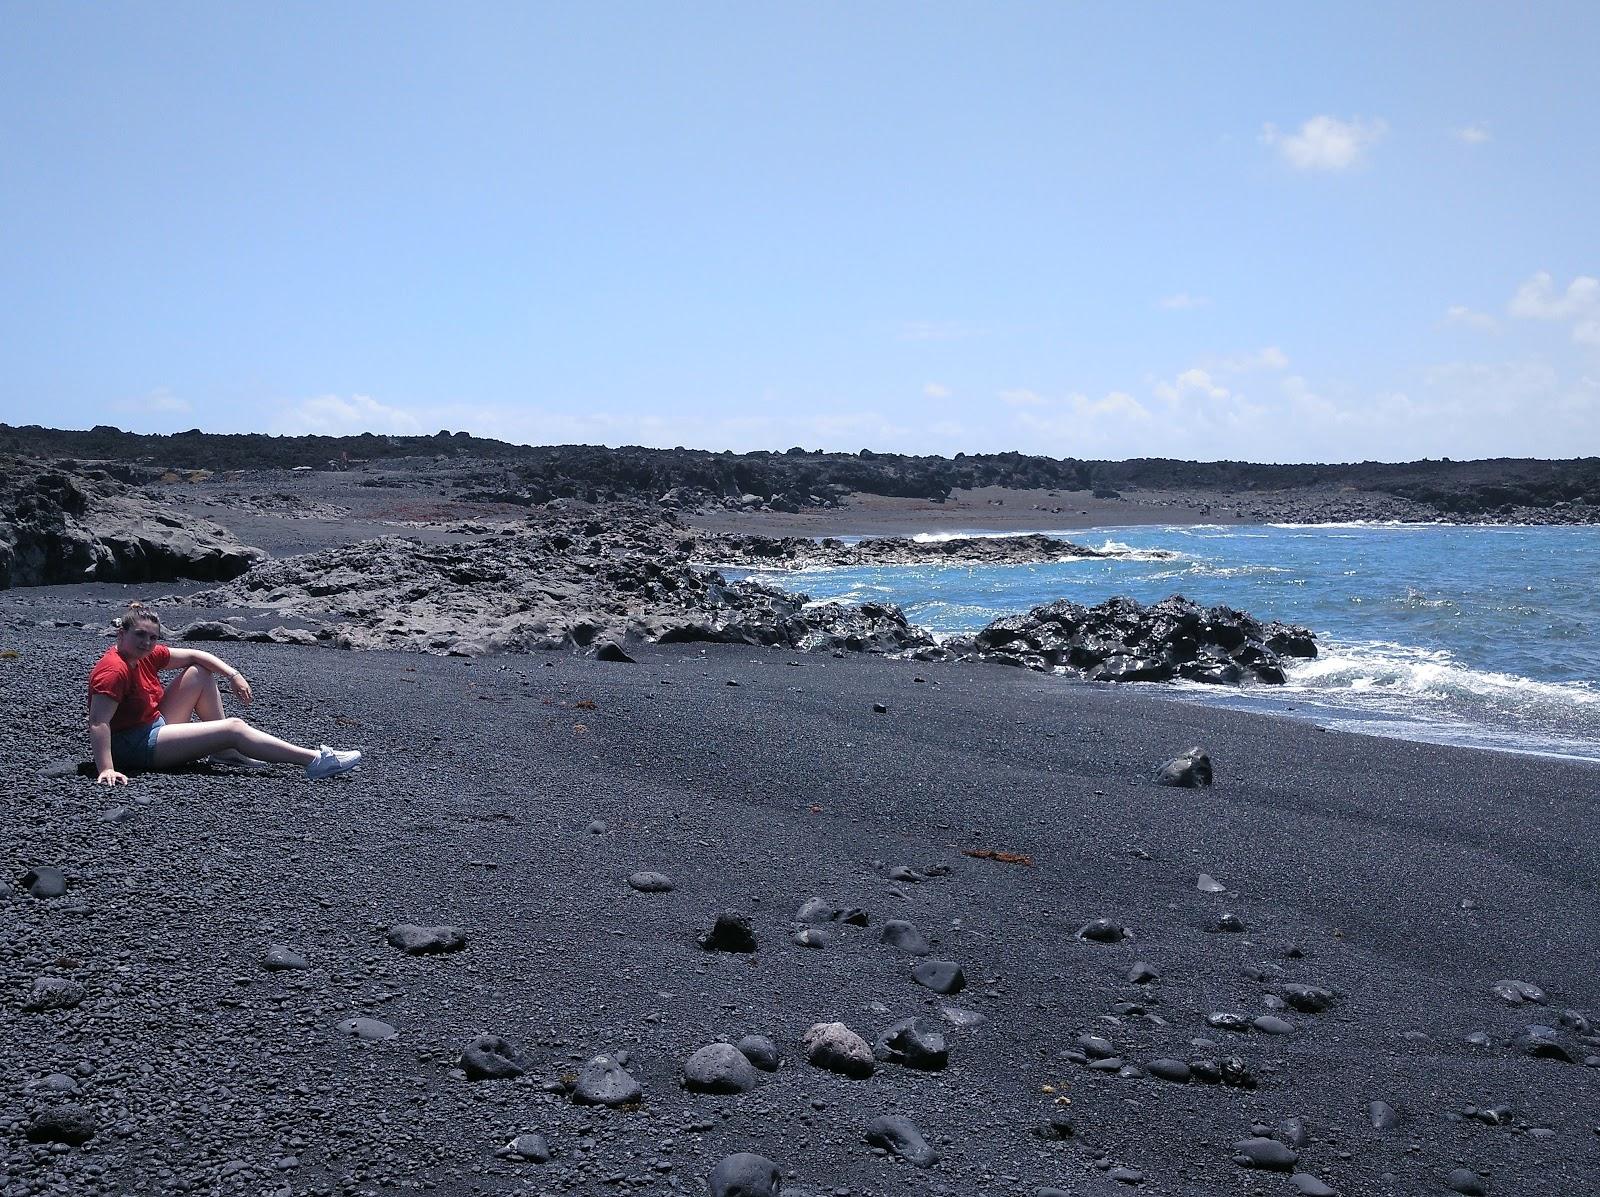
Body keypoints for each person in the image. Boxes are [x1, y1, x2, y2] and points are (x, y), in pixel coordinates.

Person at [88, 602, 363, 786]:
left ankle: (225, 752)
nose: (147, 643)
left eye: (153, 637)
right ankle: (315, 760)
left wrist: (233, 675)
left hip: (153, 726)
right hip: (135, 748)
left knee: (200, 672)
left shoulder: (145, 654)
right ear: (120, 634)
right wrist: (106, 768)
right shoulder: (114, 670)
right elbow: (99, 722)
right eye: (139, 635)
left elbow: (196, 654)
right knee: (234, 727)